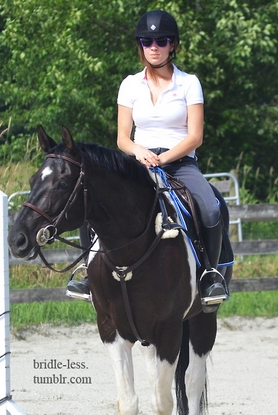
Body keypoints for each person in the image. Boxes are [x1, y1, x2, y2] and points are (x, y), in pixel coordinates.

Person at [67, 9, 229, 311]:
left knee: (209, 206)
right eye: (146, 41)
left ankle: (209, 273)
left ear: (173, 45)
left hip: (179, 162)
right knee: (93, 200)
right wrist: (139, 152)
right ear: (139, 45)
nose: (153, 47)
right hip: (137, 163)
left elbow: (195, 136)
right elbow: (122, 138)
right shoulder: (130, 84)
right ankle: (88, 272)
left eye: (161, 40)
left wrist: (164, 157)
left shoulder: (189, 83)